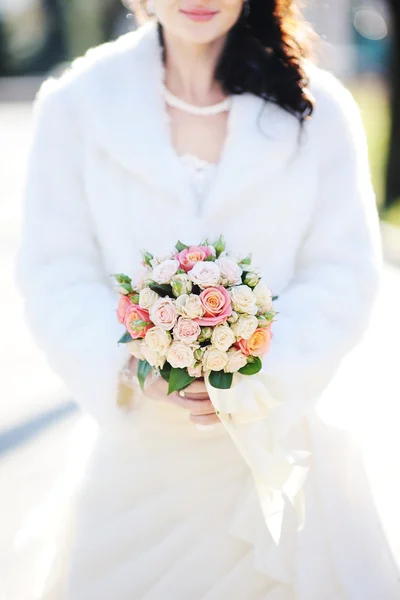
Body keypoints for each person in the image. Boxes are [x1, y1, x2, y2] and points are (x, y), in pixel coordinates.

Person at [14, 0, 400, 598]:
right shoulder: (79, 104)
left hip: (280, 461)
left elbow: (343, 270)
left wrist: (256, 375)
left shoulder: (320, 108)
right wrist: (127, 368)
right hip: (137, 468)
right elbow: (54, 270)